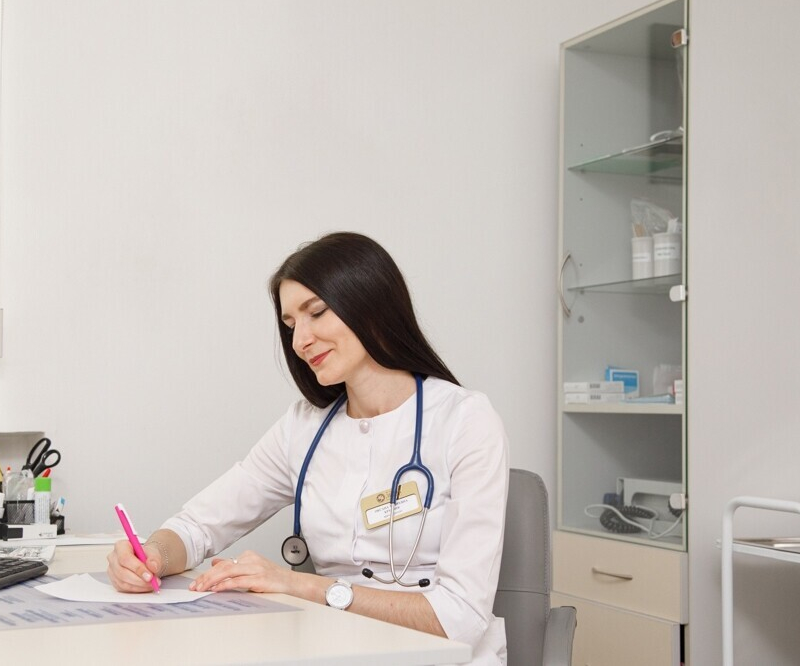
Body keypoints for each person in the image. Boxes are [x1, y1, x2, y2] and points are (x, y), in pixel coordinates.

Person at [107, 231, 510, 663]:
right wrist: (153, 555)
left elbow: (460, 618)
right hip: (333, 651)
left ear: (370, 304)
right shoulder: (304, 428)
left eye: (316, 313)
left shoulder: (465, 420)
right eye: (291, 325)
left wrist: (299, 585)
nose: (300, 341)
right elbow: (198, 526)